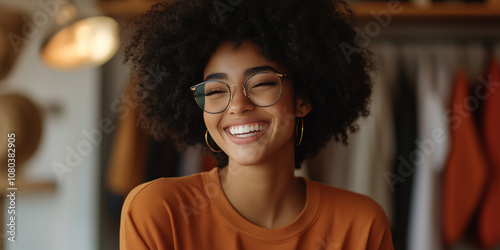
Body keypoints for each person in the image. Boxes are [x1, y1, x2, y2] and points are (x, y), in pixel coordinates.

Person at [120, 0, 394, 249]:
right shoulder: (160, 212)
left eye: (262, 83)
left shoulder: (360, 225)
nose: (238, 105)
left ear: (303, 99)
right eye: (215, 90)